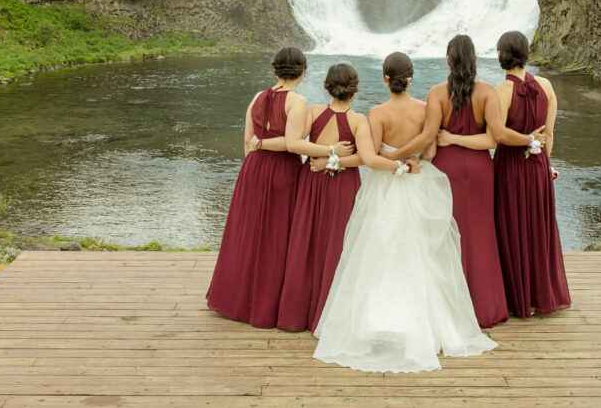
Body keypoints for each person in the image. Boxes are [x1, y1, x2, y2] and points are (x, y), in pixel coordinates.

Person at [312, 52, 497, 373]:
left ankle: (374, 322)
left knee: (378, 251)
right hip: (418, 181)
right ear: (411, 79)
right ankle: (427, 325)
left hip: (384, 187)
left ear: (385, 79)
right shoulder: (425, 109)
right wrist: (409, 161)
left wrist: (392, 163)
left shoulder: (376, 113)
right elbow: (430, 149)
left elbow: (369, 158)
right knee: (423, 252)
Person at [384, 35, 546, 328]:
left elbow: (428, 137)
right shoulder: (487, 93)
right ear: (474, 60)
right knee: (482, 234)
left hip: (447, 169)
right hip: (482, 169)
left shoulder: (436, 94)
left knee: (444, 234)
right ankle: (486, 308)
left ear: (447, 60)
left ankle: (446, 308)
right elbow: (494, 138)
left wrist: (395, 156)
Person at [205, 47, 355, 328]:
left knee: (248, 233)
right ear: (302, 71)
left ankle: (236, 299)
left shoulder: (256, 97)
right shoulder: (296, 102)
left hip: (253, 168)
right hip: (281, 170)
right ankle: (266, 306)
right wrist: (331, 149)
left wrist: (258, 148)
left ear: (275, 70)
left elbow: (248, 142)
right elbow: (292, 143)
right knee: (277, 238)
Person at [277, 63, 400, 332]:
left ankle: (295, 315)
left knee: (305, 244)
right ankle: (329, 316)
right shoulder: (359, 121)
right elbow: (366, 159)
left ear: (327, 86)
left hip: (310, 180)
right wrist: (335, 159)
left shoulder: (313, 112)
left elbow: (295, 143)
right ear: (354, 91)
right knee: (338, 245)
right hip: (341, 185)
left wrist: (325, 159)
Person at [492, 31, 571, 317]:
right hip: (538, 165)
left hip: (511, 167)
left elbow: (498, 134)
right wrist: (544, 163)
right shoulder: (547, 86)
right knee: (539, 228)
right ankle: (540, 295)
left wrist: (525, 140)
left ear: (502, 55)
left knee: (511, 227)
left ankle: (518, 298)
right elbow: (549, 134)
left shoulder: (501, 92)